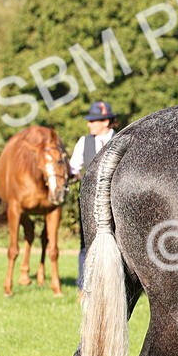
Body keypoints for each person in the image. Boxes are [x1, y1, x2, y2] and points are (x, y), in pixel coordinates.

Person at [70, 101, 120, 291]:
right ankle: (84, 287)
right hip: (90, 201)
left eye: (94, 120)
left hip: (115, 200)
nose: (89, 124)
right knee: (86, 244)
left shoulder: (121, 139)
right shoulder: (84, 142)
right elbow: (74, 168)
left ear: (106, 122)